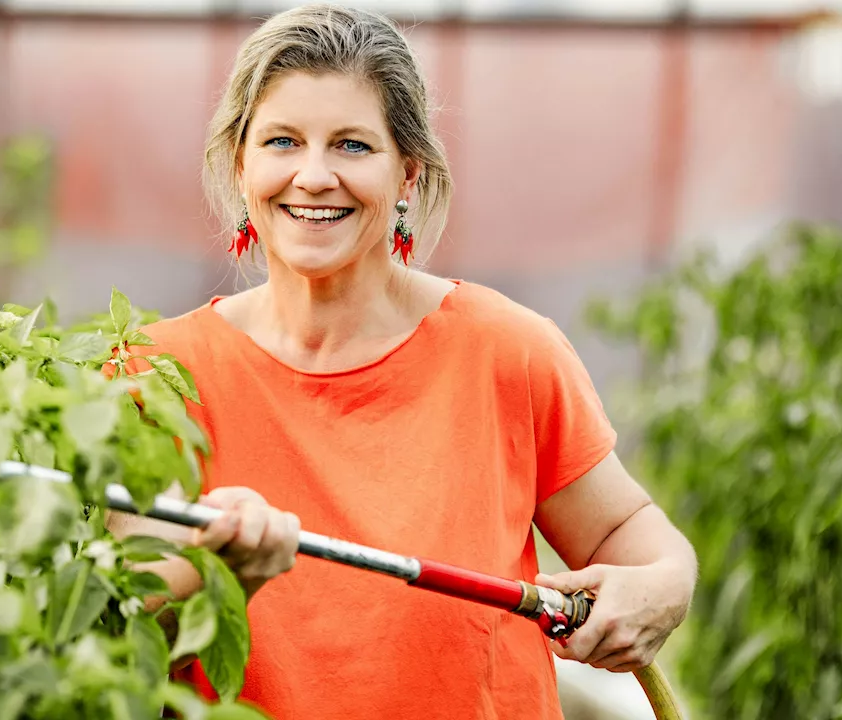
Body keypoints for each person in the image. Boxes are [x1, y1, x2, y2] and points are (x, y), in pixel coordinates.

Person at [106, 4, 698, 718]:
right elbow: (120, 635)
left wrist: (664, 585)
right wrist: (214, 572)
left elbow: (627, 534)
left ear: (408, 174)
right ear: (241, 164)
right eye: (282, 141)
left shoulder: (506, 351)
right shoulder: (154, 373)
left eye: (353, 146)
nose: (314, 176)